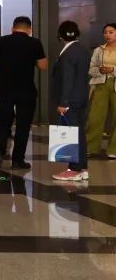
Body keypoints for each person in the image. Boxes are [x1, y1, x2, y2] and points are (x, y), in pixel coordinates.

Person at [0, 16, 47, 169]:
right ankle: (17, 160)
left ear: (13, 28)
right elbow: (43, 66)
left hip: (5, 89)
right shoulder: (34, 43)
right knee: (23, 125)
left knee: (4, 121)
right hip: (26, 90)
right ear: (29, 29)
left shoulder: (2, 41)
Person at [52, 21, 92, 181]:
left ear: (60, 36)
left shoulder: (67, 54)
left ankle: (74, 169)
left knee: (70, 135)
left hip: (70, 100)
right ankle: (82, 168)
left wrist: (63, 102)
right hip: (81, 97)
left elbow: (67, 79)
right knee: (79, 134)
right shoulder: (83, 50)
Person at [85, 23, 116, 160]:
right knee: (95, 117)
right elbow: (91, 69)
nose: (107, 35)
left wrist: (112, 70)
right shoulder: (98, 50)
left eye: (111, 32)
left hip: (115, 84)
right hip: (100, 84)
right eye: (105, 32)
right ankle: (90, 148)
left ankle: (113, 149)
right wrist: (100, 70)